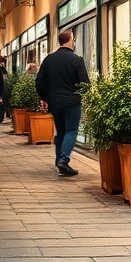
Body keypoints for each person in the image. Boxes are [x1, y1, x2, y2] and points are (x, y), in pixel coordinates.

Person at [35, 30, 90, 177]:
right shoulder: (76, 59)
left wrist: (46, 98)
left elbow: (39, 83)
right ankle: (64, 160)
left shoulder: (49, 60)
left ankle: (59, 162)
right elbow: (85, 84)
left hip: (56, 102)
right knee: (71, 130)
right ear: (70, 40)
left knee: (61, 131)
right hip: (72, 102)